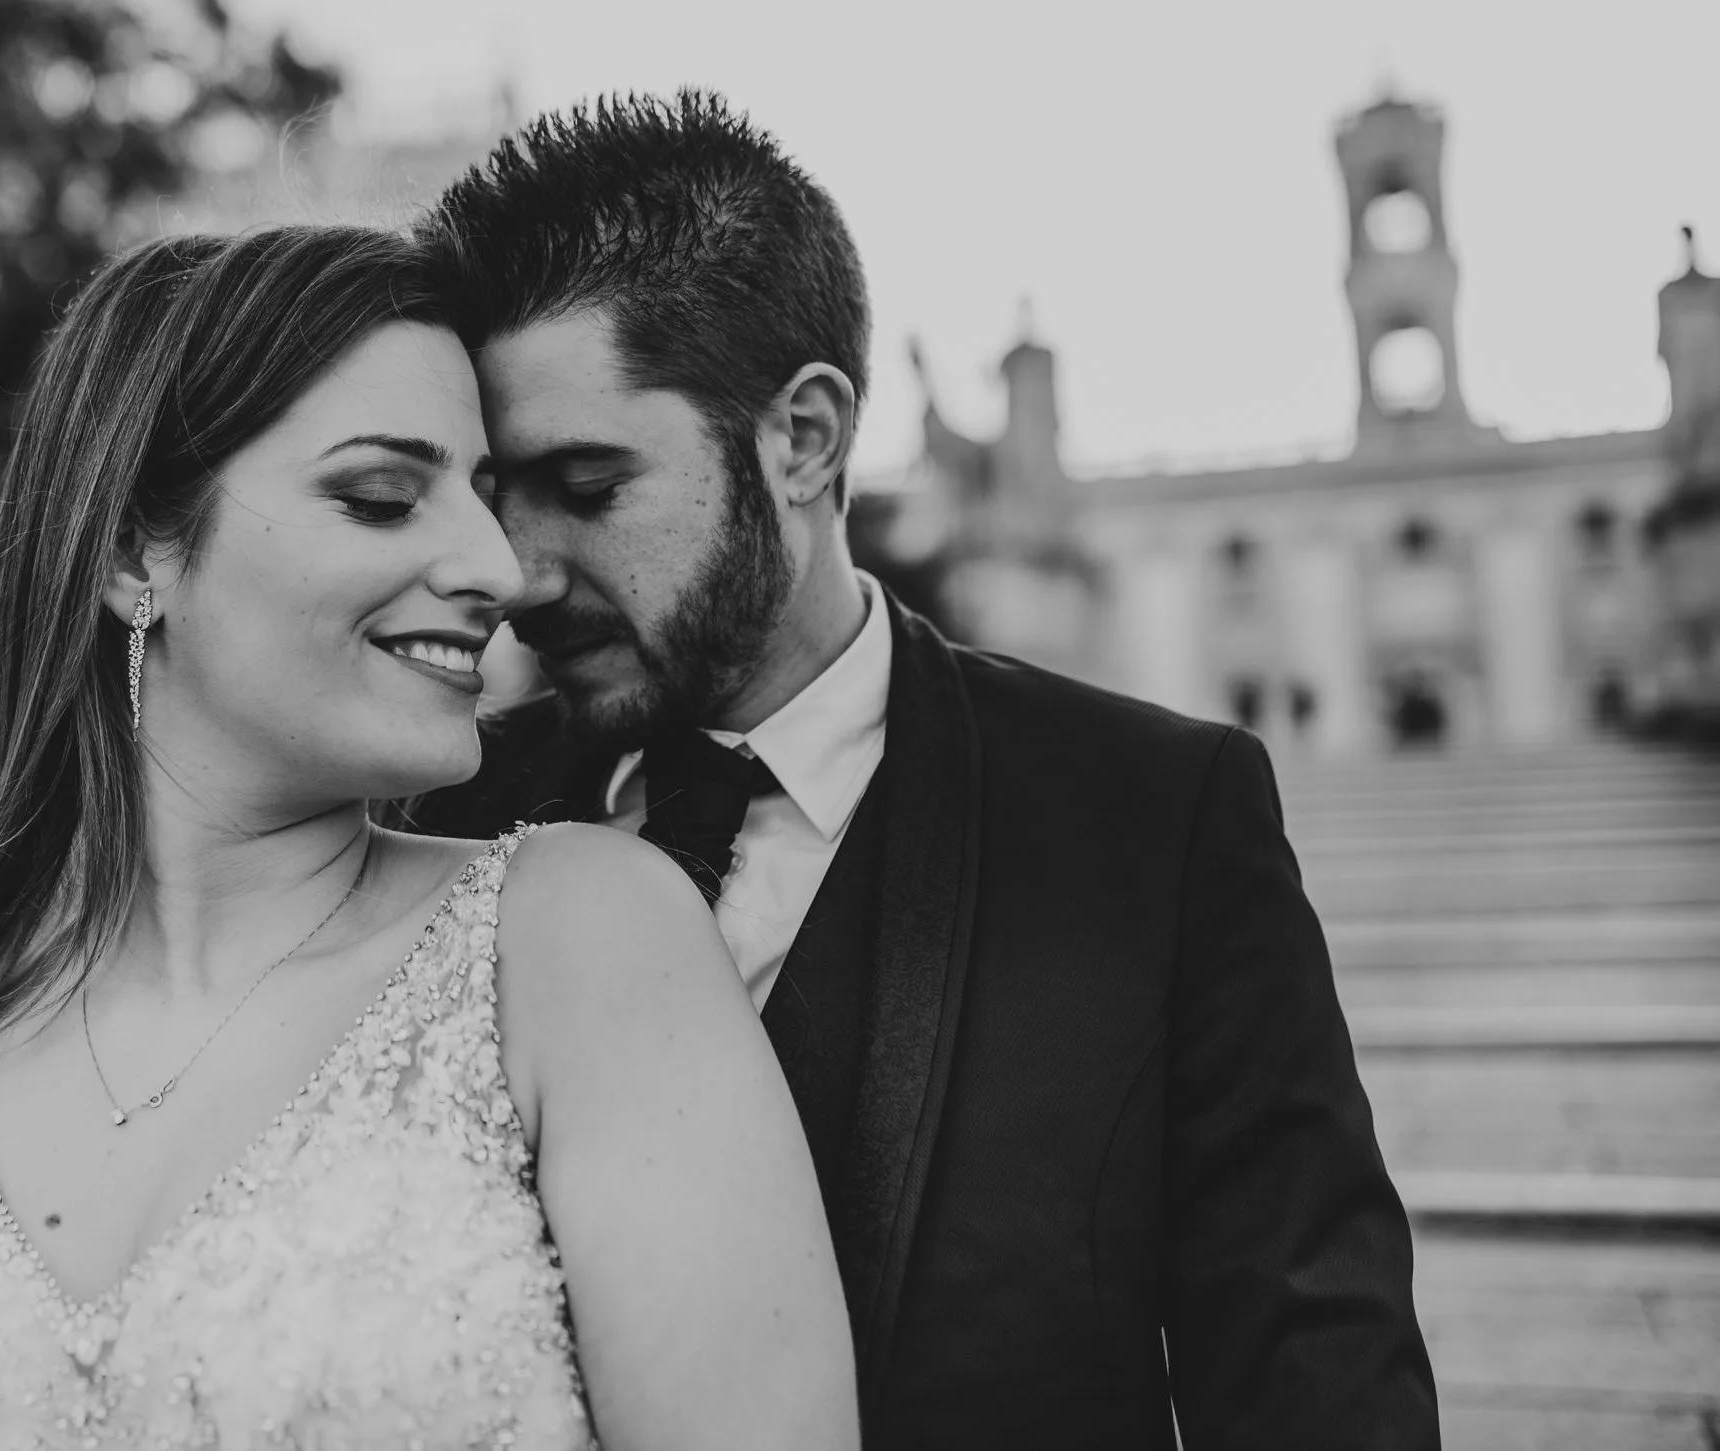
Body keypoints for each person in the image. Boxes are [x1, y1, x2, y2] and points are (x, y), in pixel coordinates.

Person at [403, 93, 1442, 1449]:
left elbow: (1317, 1384)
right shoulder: (439, 821)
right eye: (493, 493)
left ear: (806, 437)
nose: (517, 571)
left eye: (588, 485)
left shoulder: (1154, 821)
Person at [0, 226, 858, 1450]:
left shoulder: (580, 940)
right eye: (380, 497)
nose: (498, 568)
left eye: (483, 496)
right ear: (127, 546)